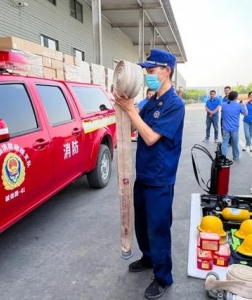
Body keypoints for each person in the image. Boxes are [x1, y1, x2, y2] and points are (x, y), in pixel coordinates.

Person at [113, 49, 185, 299]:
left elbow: (151, 137)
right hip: (143, 175)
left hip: (160, 179)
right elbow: (134, 125)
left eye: (151, 71)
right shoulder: (151, 101)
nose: (147, 76)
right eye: (146, 72)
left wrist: (131, 109)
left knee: (158, 228)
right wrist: (124, 103)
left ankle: (164, 276)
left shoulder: (175, 105)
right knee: (142, 224)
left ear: (167, 71)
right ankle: (148, 257)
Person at [221, 91, 247, 160]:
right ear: (236, 97)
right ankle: (236, 156)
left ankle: (223, 156)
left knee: (224, 143)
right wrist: (244, 106)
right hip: (234, 128)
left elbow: (223, 111)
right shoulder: (239, 106)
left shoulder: (223, 104)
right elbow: (246, 114)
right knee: (235, 143)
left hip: (225, 128)